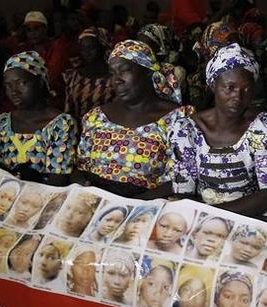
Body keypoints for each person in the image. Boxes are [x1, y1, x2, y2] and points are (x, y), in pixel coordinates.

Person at [169, 43, 267, 217]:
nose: (238, 97)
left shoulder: (263, 129)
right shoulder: (187, 131)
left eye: (246, 89)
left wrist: (211, 215)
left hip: (252, 217)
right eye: (229, 88)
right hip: (201, 218)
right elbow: (183, 191)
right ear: (213, 85)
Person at [77, 40, 193, 198]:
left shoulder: (177, 119)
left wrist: (132, 205)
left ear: (148, 72)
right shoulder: (95, 117)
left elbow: (181, 180)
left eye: (124, 70)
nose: (117, 79)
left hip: (146, 205)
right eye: (112, 73)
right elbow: (81, 167)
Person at [0, 51, 77, 185]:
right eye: (8, 85)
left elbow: (58, 178)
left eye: (21, 83)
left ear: (40, 82)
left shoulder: (60, 124)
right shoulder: (0, 123)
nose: (14, 91)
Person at [62, 27, 114, 120]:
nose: (87, 52)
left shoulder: (113, 77)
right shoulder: (73, 76)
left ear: (102, 47)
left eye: (91, 47)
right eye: (83, 48)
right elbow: (69, 110)